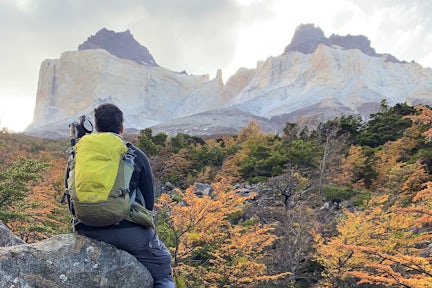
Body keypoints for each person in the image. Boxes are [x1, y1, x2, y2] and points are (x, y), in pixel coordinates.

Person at [68, 103, 175, 288]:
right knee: (163, 269)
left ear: (97, 126)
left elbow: (70, 198)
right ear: (121, 127)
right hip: (128, 231)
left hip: (86, 228)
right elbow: (148, 204)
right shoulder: (133, 153)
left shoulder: (79, 153)